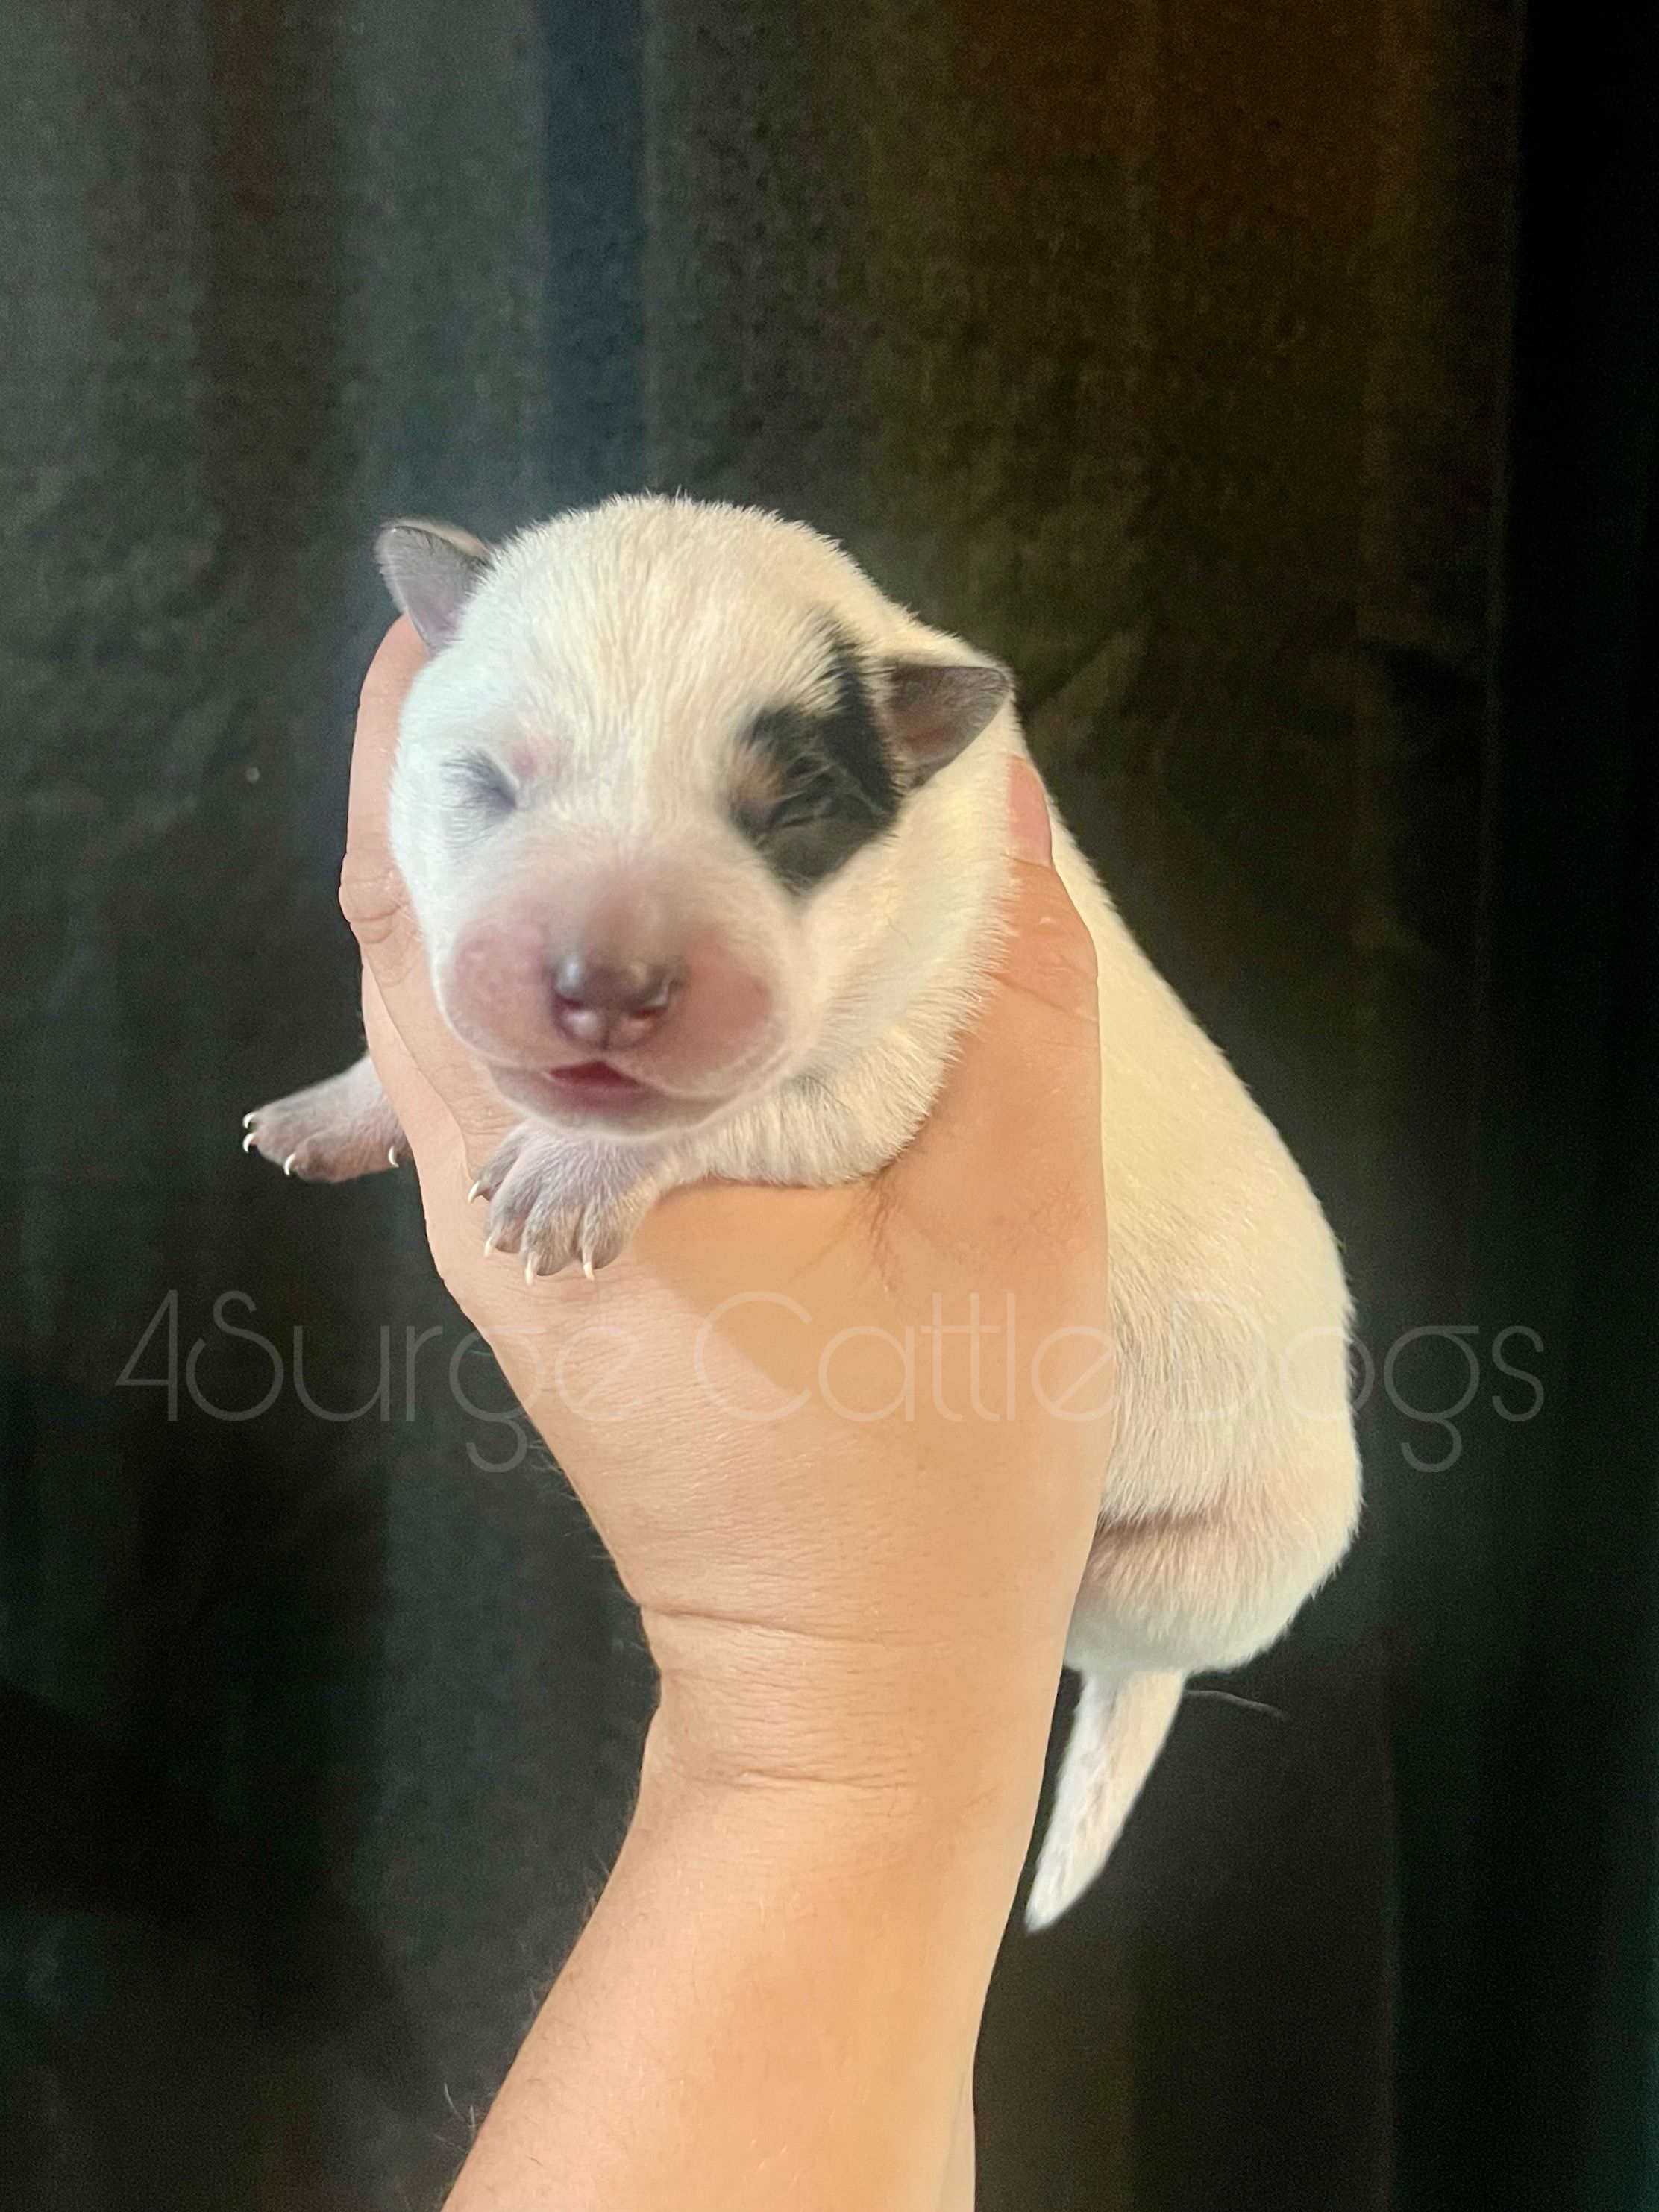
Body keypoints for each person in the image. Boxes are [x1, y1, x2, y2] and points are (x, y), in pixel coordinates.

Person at [345, 618, 1114, 2211]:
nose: (607, 977)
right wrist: (864, 1726)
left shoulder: (916, 940)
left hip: (1164, 1499)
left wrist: (842, 1721)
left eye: (769, 824)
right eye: (505, 792)